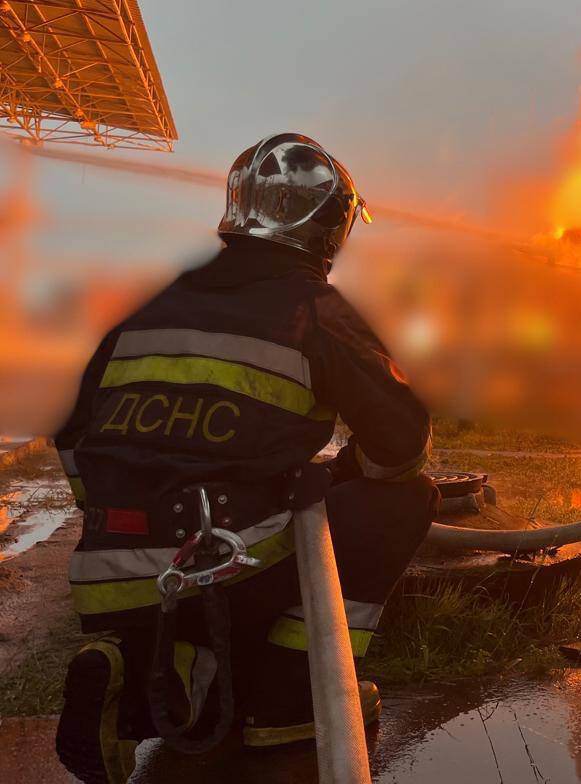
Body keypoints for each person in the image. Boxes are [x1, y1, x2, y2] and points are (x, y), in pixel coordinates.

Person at [52, 133, 439, 783]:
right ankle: (290, 698)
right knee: (405, 499)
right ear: (330, 227)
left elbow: (72, 434)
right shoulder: (315, 307)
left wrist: (120, 515)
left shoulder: (153, 306)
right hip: (225, 565)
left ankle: (146, 671)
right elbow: (403, 447)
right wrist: (343, 473)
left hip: (107, 575)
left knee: (190, 641)